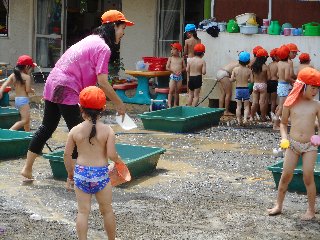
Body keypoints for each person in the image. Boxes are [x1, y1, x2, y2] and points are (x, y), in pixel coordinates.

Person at [21, 10, 134, 180]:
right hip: (67, 86)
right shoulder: (103, 48)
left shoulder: (89, 40)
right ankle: (74, 177)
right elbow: (102, 81)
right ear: (113, 26)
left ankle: (27, 169)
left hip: (53, 81)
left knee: (47, 127)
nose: (123, 33)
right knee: (81, 132)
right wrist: (119, 103)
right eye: (122, 28)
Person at [64, 86, 125, 240]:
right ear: (103, 108)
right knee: (107, 210)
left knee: (83, 212)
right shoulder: (108, 131)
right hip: (101, 175)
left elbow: (67, 155)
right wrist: (119, 162)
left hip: (81, 174)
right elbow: (112, 154)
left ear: (80, 107)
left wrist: (71, 174)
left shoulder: (75, 130)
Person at [268, 67, 320, 220]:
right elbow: (283, 124)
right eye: (312, 87)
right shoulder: (290, 103)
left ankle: (311, 210)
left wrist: (318, 137)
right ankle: (278, 205)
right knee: (285, 176)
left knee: (308, 177)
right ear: (302, 86)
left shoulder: (317, 105)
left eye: (317, 88)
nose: (315, 91)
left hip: (310, 146)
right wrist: (284, 138)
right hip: (292, 144)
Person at [0, 55, 36, 131]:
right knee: (24, 120)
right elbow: (27, 90)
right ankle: (10, 131)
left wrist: (1, 91)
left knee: (27, 120)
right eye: (30, 68)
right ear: (26, 67)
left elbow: (5, 84)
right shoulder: (27, 77)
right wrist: (32, 90)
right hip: (23, 101)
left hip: (17, 100)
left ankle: (28, 135)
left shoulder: (13, 75)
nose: (30, 70)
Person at [273, 45, 295, 130]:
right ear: (287, 54)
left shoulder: (279, 63)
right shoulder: (287, 65)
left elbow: (278, 74)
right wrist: (293, 81)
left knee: (280, 105)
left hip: (280, 85)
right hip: (284, 86)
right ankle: (275, 125)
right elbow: (286, 78)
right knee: (282, 106)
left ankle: (276, 122)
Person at [230, 51, 253, 125]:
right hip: (246, 89)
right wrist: (247, 79)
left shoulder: (235, 69)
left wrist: (236, 79)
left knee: (238, 106)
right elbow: (252, 81)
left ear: (239, 60)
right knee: (246, 106)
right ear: (248, 61)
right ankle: (245, 119)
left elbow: (231, 80)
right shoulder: (249, 70)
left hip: (238, 89)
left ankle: (239, 120)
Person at [250, 49, 271, 122]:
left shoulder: (253, 66)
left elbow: (252, 79)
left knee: (254, 102)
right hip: (263, 85)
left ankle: (251, 117)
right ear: (264, 58)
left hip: (255, 85)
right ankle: (263, 117)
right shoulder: (265, 67)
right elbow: (269, 77)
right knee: (262, 102)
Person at [166, 42, 186, 108]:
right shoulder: (170, 58)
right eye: (171, 49)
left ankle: (175, 104)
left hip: (179, 76)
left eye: (173, 49)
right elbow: (167, 67)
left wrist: (181, 71)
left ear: (178, 51)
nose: (171, 51)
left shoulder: (181, 59)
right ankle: (169, 104)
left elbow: (185, 67)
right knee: (171, 90)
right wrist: (173, 71)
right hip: (173, 76)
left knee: (177, 91)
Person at [184, 24, 201, 90]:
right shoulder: (199, 40)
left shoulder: (187, 41)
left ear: (189, 33)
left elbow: (185, 52)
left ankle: (189, 92)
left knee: (189, 77)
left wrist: (184, 56)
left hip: (190, 59)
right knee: (198, 75)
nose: (186, 35)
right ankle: (197, 92)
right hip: (198, 59)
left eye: (187, 33)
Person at [267, 48, 279, 118]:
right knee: (273, 101)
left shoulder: (269, 64)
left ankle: (265, 114)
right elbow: (278, 75)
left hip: (268, 82)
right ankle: (272, 114)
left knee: (266, 100)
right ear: (275, 56)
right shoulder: (278, 64)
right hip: (274, 82)